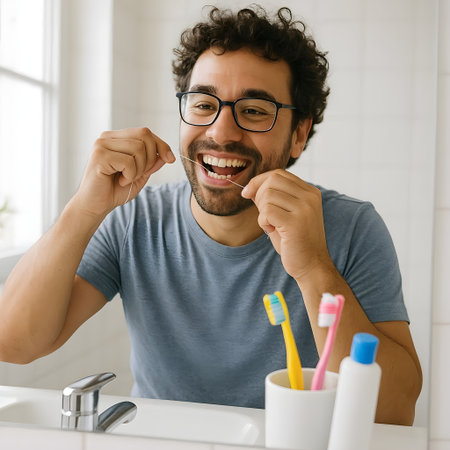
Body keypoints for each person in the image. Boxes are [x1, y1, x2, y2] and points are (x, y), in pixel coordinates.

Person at [0, 6, 421, 425]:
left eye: (254, 111)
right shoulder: (133, 219)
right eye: (203, 104)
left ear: (298, 134)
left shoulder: (352, 228)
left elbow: (393, 411)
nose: (221, 131)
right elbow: (13, 343)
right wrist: (84, 208)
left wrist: (313, 267)